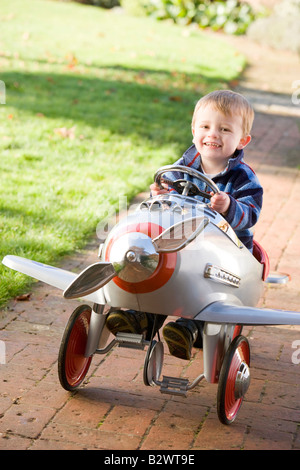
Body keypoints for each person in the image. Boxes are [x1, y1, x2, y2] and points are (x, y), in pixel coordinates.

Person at [106, 90, 263, 361]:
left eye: (225, 129)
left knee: (209, 288)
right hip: (183, 245)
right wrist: (160, 195)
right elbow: (168, 204)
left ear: (242, 140)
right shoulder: (181, 166)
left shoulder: (243, 177)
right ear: (194, 131)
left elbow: (251, 213)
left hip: (223, 253)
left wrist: (229, 207)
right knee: (162, 264)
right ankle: (142, 317)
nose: (213, 134)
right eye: (205, 127)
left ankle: (190, 329)